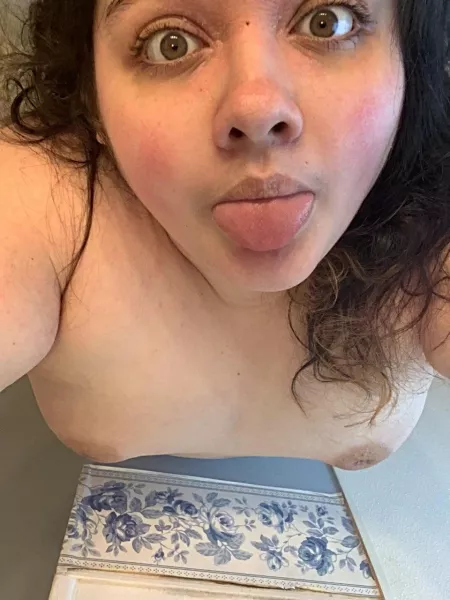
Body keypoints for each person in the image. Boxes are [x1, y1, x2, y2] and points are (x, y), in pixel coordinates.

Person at [0, 0, 448, 470]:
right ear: (92, 101)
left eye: (327, 22)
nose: (257, 110)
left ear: (410, 62)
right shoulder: (46, 199)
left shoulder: (433, 218)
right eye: (170, 44)